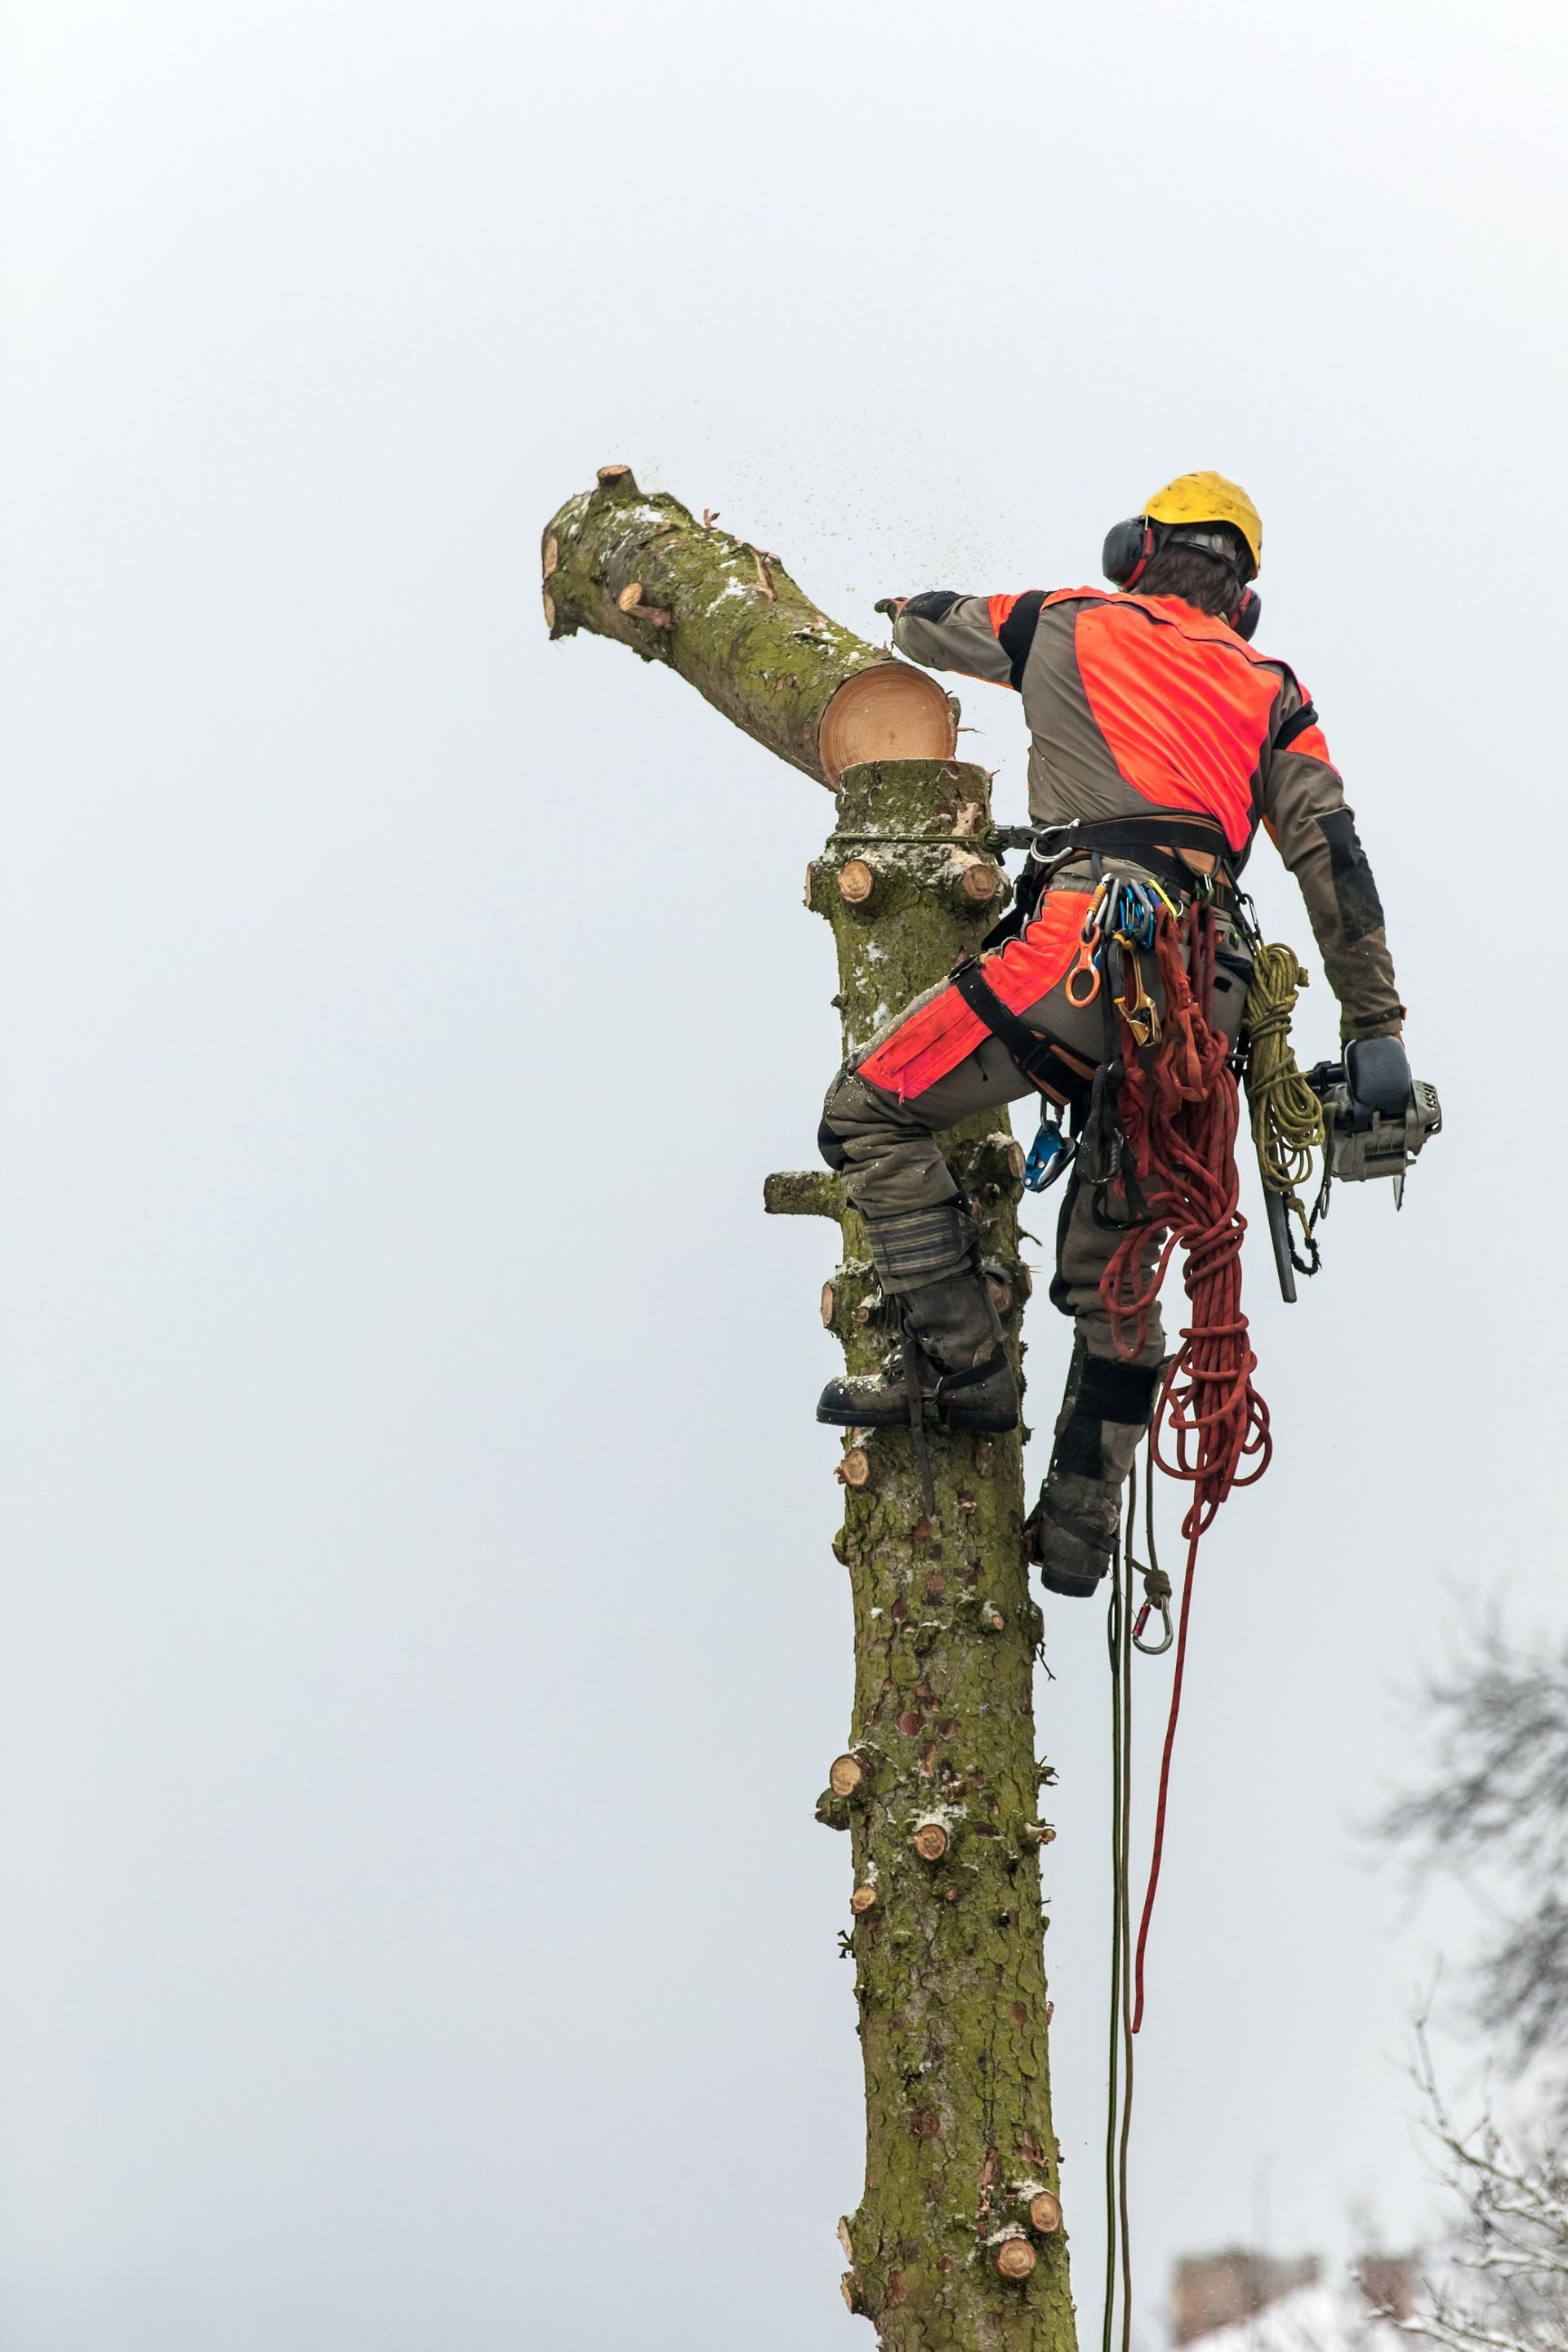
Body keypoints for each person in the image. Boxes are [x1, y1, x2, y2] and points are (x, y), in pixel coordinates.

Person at [814, 472, 1405, 1597]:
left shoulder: (1062, 620)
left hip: (1087, 944)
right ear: (1244, 598)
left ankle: (963, 1364)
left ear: (1136, 549)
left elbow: (925, 623)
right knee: (1118, 1272)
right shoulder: (1272, 687)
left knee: (867, 1114)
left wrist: (890, 608)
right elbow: (1335, 857)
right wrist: (1376, 1024)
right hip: (1209, 983)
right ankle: (1080, 1527)